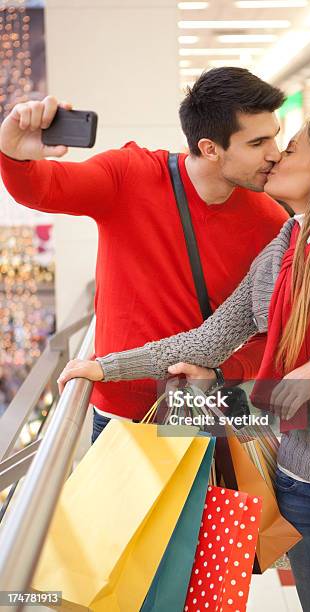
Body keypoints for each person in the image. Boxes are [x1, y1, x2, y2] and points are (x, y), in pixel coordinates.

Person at [58, 117, 310, 612]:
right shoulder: (284, 250)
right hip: (299, 476)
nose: (274, 158)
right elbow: (210, 338)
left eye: (289, 150)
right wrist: (106, 367)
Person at [0, 67, 289, 441]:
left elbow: (277, 328)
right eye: (257, 143)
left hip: (198, 416)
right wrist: (13, 153)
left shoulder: (269, 221)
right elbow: (45, 188)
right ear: (210, 148)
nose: (274, 155)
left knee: (205, 502)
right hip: (120, 417)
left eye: (275, 138)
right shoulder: (130, 174)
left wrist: (223, 372)